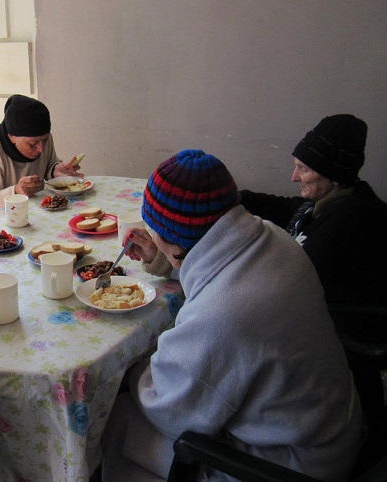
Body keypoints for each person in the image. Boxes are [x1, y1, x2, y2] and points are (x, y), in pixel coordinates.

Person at [102, 149, 362, 481]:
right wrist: (164, 258)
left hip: (291, 467)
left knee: (116, 417)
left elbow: (170, 409)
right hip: (334, 426)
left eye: (154, 230)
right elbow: (218, 271)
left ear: (168, 236)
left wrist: (126, 371)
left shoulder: (220, 315)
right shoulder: (274, 239)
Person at [237, 114, 387, 342]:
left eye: (303, 169)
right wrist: (232, 196)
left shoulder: (354, 217)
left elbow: (291, 277)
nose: (294, 177)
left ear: (333, 175)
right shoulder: (327, 200)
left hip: (337, 328)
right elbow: (283, 206)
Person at [0, 94, 82, 223]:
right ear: (12, 137)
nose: (41, 149)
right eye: (32, 144)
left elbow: (48, 165)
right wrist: (17, 191)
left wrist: (54, 170)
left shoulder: (41, 139)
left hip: (29, 216)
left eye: (45, 140)